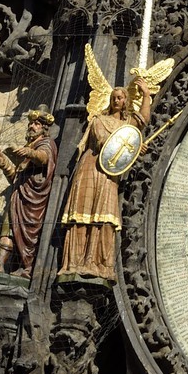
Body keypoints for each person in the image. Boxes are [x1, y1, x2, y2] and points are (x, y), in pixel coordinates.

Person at [60, 80, 150, 281]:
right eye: (113, 98)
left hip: (109, 174)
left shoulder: (127, 125)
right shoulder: (99, 120)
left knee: (106, 215)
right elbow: (103, 143)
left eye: (120, 98)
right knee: (83, 213)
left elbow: (143, 120)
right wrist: (134, 147)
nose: (116, 100)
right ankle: (74, 262)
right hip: (91, 167)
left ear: (126, 101)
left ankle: (99, 263)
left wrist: (146, 95)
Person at [0, 107, 58, 277]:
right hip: (18, 196)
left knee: (29, 233)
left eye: (37, 124)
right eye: (31, 123)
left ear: (44, 128)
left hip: (33, 199)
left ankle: (27, 267)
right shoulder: (27, 147)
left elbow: (44, 158)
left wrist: (30, 152)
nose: (32, 126)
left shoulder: (47, 144)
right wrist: (2, 161)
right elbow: (16, 177)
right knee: (8, 229)